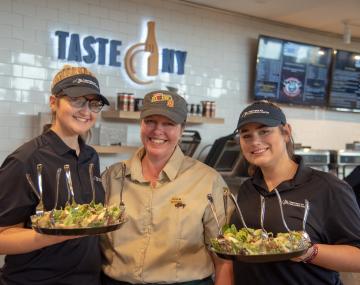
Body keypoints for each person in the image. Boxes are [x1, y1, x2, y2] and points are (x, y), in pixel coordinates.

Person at [101, 90, 233, 285]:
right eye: (150, 121)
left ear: (182, 129)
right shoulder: (111, 178)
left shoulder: (208, 181)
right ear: (141, 123)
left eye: (169, 123)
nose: (157, 130)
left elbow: (224, 260)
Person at [227, 100, 360, 284]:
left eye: (264, 131)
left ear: (286, 132)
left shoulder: (328, 188)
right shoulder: (248, 188)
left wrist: (308, 252)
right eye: (246, 135)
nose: (255, 141)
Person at [0, 65, 109, 284]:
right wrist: (54, 233)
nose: (86, 111)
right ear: (53, 103)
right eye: (76, 100)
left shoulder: (90, 156)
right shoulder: (25, 160)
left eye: (93, 103)